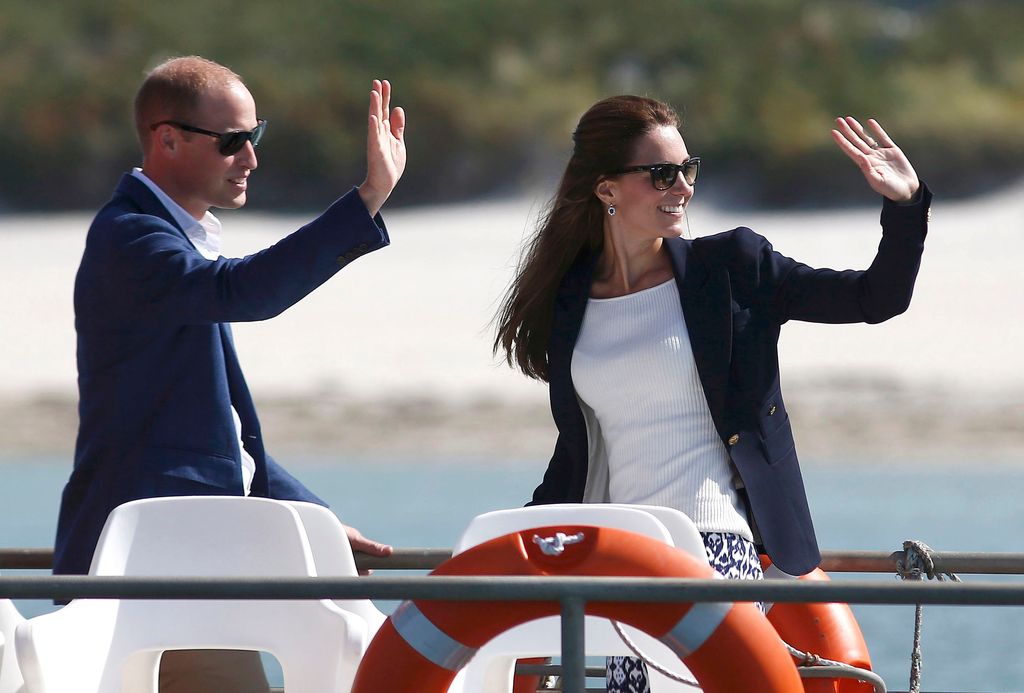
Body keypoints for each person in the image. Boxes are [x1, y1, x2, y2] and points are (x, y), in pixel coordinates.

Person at [493, 95, 930, 692]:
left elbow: (875, 299)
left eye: (687, 169)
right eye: (661, 174)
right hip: (623, 559)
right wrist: (510, 542)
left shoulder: (731, 268)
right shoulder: (571, 301)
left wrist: (904, 206)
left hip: (716, 545)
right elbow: (582, 448)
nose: (683, 188)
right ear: (606, 190)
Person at [54, 56, 406, 692]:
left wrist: (312, 520)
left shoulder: (171, 240)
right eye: (232, 142)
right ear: (167, 139)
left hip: (189, 569)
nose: (250, 158)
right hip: (153, 577)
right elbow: (246, 291)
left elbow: (221, 436)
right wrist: (368, 199)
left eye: (255, 136)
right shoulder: (131, 240)